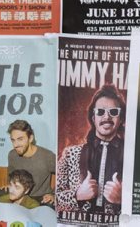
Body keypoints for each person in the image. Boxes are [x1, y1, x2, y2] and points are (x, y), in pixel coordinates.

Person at [57, 85, 125, 219]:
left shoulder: (132, 157)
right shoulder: (70, 153)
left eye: (113, 112)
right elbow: (54, 198)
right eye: (100, 112)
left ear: (121, 119)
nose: (107, 117)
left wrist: (122, 199)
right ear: (93, 118)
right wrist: (77, 195)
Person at [7, 119, 55, 204]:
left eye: (20, 139)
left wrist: (54, 195)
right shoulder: (12, 155)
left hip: (41, 198)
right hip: (19, 197)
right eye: (13, 140)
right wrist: (9, 187)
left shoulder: (47, 156)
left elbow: (65, 176)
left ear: (30, 138)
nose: (15, 145)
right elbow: (11, 177)